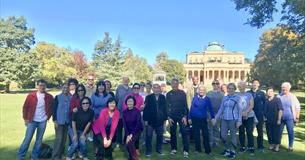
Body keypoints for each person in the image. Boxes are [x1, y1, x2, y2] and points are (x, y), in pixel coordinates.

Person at [18, 79, 54, 160]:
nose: (42, 87)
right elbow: (25, 107)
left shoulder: (49, 97)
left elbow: (53, 107)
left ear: (45, 86)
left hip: (43, 121)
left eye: (43, 85)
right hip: (32, 120)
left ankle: (34, 157)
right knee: (28, 139)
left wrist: (48, 116)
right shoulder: (31, 96)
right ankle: (21, 156)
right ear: (37, 86)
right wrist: (25, 119)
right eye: (40, 85)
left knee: (39, 140)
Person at [215, 83, 242, 159]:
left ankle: (232, 151)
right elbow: (221, 109)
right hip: (224, 119)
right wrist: (216, 118)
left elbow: (240, 110)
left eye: (232, 88)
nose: (230, 90)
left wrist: (239, 121)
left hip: (233, 119)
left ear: (234, 89)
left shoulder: (238, 98)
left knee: (233, 136)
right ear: (227, 89)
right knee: (223, 136)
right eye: (229, 88)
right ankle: (227, 149)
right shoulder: (225, 98)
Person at [188, 85, 215, 155]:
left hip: (203, 119)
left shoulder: (207, 99)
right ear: (198, 91)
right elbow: (191, 108)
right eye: (200, 90)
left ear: (205, 91)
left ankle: (208, 150)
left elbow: (210, 109)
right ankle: (198, 149)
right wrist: (189, 117)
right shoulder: (195, 98)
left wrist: (212, 118)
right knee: (196, 135)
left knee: (205, 134)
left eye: (203, 90)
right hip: (195, 119)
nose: (201, 91)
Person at [166, 78, 189, 158]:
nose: (174, 85)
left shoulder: (182, 93)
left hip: (181, 116)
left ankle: (186, 150)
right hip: (172, 117)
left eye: (176, 83)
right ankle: (173, 148)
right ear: (171, 84)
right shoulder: (168, 94)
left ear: (178, 84)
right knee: (172, 133)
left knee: (184, 133)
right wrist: (168, 117)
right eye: (173, 83)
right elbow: (167, 106)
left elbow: (185, 105)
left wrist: (185, 116)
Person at [143, 84, 167, 156]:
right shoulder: (148, 97)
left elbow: (165, 109)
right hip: (150, 121)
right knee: (149, 136)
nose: (156, 89)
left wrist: (165, 119)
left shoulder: (163, 97)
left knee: (160, 136)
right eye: (155, 88)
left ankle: (159, 149)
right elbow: (146, 109)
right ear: (152, 89)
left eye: (157, 88)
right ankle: (148, 150)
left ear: (160, 89)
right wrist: (146, 120)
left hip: (160, 120)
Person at [278, 82, 301, 151]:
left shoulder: (292, 97)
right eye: (283, 89)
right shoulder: (279, 96)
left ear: (289, 89)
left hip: (290, 118)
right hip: (281, 118)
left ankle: (290, 146)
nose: (284, 90)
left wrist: (297, 117)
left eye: (286, 89)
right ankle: (278, 144)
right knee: (279, 132)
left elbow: (298, 107)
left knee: (290, 132)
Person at [52, 84, 71, 160]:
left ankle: (61, 154)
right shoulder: (57, 97)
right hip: (59, 122)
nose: (65, 89)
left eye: (67, 88)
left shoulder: (71, 97)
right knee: (58, 139)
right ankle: (55, 156)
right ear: (62, 88)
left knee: (64, 139)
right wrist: (55, 121)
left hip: (67, 122)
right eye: (64, 88)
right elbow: (54, 109)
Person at [247, 79, 266, 151]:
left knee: (260, 131)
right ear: (251, 84)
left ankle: (260, 146)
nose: (255, 84)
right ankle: (250, 145)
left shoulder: (262, 93)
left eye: (256, 83)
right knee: (249, 131)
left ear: (258, 84)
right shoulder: (248, 93)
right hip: (250, 114)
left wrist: (264, 113)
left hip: (259, 115)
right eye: (253, 83)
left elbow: (265, 104)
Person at [237, 81, 255, 154]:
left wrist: (246, 112)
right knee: (241, 132)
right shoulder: (236, 95)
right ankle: (242, 146)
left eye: (242, 85)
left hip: (249, 115)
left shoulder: (249, 95)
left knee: (249, 131)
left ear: (245, 86)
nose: (241, 87)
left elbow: (252, 105)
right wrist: (241, 114)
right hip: (239, 116)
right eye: (239, 85)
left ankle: (251, 147)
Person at [123, 96, 143, 160]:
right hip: (128, 130)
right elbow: (125, 125)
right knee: (128, 143)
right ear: (126, 102)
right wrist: (127, 135)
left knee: (130, 142)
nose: (130, 103)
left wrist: (131, 134)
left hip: (137, 130)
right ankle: (132, 157)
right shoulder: (124, 112)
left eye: (131, 101)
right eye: (128, 101)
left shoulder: (137, 111)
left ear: (134, 102)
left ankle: (133, 158)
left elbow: (138, 124)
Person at [115, 77, 133, 147]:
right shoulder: (119, 88)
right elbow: (116, 98)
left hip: (128, 112)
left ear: (129, 81)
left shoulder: (130, 89)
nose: (125, 81)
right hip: (119, 111)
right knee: (119, 127)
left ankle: (126, 141)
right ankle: (118, 142)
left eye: (127, 80)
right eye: (124, 80)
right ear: (122, 81)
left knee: (127, 128)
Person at [264, 87, 283, 152]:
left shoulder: (277, 100)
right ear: (266, 93)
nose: (270, 93)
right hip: (268, 120)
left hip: (276, 120)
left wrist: (279, 119)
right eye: (268, 91)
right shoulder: (266, 101)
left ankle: (277, 146)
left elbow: (280, 110)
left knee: (276, 134)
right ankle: (271, 145)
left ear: (273, 92)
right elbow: (264, 110)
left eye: (271, 91)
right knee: (269, 133)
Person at [206, 80, 224, 147]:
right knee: (210, 128)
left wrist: (220, 114)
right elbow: (206, 104)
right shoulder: (208, 93)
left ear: (219, 84)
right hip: (209, 113)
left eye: (217, 83)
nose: (215, 85)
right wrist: (207, 115)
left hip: (218, 113)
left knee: (216, 128)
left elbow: (223, 105)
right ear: (212, 85)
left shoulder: (222, 94)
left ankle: (216, 141)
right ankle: (210, 141)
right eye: (214, 83)